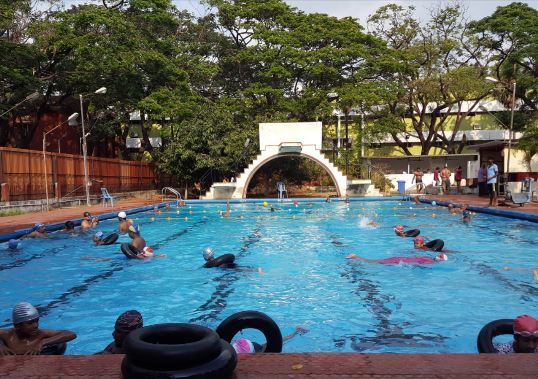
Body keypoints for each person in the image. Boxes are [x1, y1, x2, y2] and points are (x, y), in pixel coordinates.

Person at [0, 302, 76, 355]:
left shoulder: (41, 334)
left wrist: (42, 343)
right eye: (30, 323)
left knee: (61, 344)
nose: (36, 325)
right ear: (17, 326)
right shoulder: (8, 335)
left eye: (37, 321)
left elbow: (70, 334)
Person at [232, 326, 307, 354]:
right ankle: (296, 332)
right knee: (276, 342)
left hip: (249, 347)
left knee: (276, 343)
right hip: (248, 344)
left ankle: (296, 332)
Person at [346, 253, 447, 265]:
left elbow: (416, 257)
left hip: (398, 258)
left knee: (375, 261)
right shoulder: (430, 262)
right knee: (373, 263)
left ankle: (355, 257)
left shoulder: (427, 257)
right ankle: (355, 257)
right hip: (398, 261)